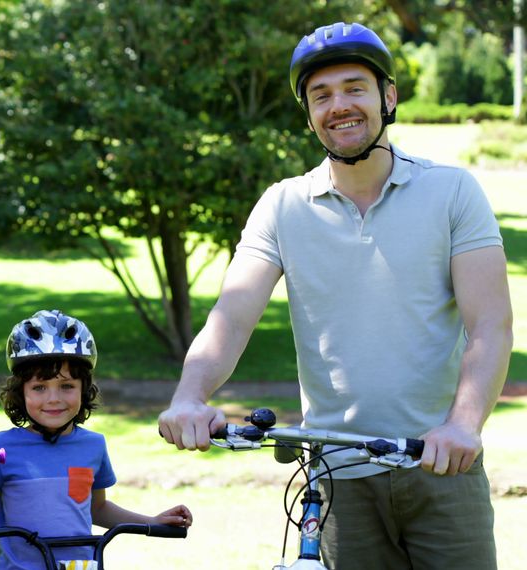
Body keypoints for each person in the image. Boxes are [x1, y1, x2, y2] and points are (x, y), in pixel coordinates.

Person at [157, 22, 512, 569]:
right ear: (308, 114)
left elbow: (490, 325)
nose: (338, 105)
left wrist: (464, 423)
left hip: (442, 467)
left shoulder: (452, 191)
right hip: (337, 480)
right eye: (320, 95)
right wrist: (189, 394)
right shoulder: (282, 206)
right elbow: (230, 318)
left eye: (354, 88)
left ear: (387, 98)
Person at [0, 310, 192, 569]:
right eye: (39, 387)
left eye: (67, 386)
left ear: (84, 389)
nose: (53, 398)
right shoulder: (4, 447)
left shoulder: (93, 446)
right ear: (20, 392)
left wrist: (151, 521)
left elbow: (97, 507)